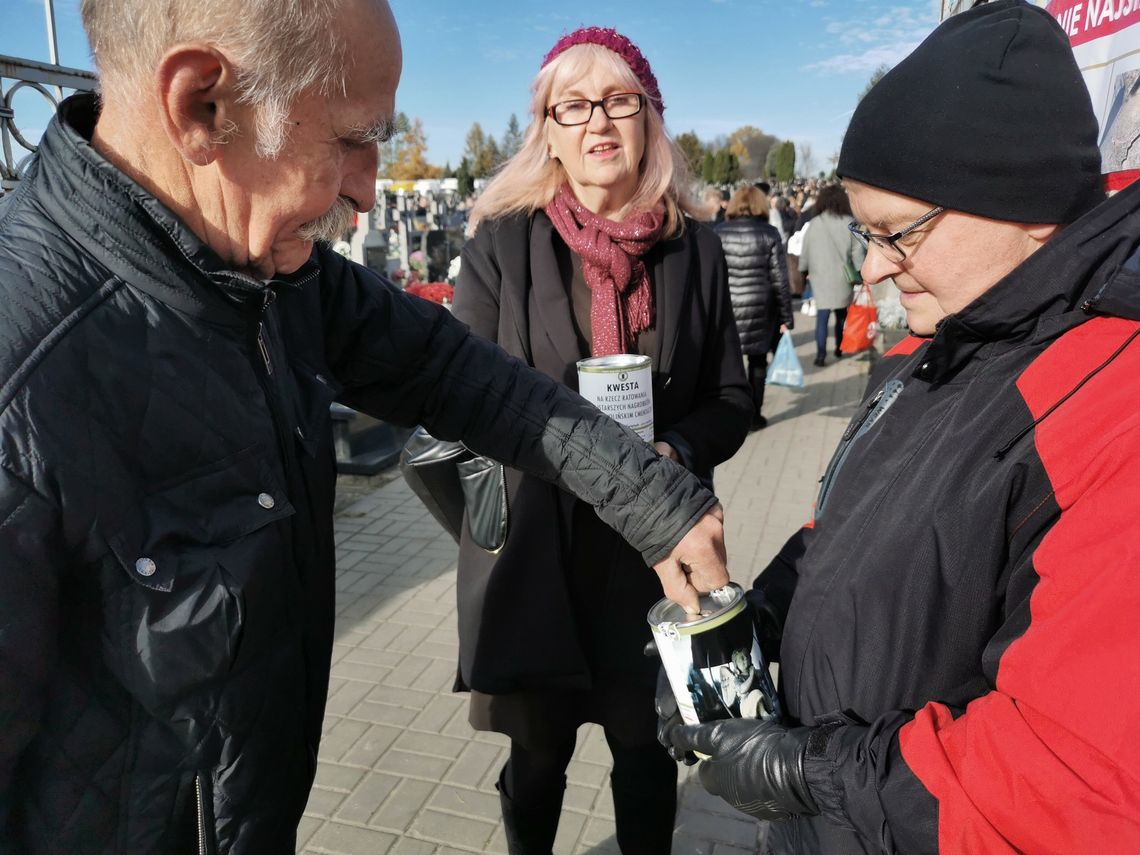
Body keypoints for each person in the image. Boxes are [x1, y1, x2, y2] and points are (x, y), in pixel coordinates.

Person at [0, 2, 734, 852]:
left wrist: (652, 497)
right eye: (351, 138)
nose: (366, 185)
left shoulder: (265, 272)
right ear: (202, 105)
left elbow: (462, 375)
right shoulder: (24, 376)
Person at [661, 1, 1140, 852]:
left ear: (1019, 200)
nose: (875, 263)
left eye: (897, 233)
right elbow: (854, 523)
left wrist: (815, 772)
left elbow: (1073, 782)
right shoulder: (952, 333)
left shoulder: (1113, 401)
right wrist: (751, 622)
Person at [454, 26, 751, 854]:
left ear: (651, 120)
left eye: (619, 101)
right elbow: (462, 397)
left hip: (649, 559)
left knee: (647, 753)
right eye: (573, 105)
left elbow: (731, 397)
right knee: (537, 757)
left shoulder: (696, 253)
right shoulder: (501, 243)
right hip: (536, 554)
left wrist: (676, 455)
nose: (598, 123)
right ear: (546, 128)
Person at [714, 185, 794, 430]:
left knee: (729, 366)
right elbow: (780, 280)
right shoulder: (769, 234)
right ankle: (753, 417)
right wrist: (786, 318)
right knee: (758, 364)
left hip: (728, 310)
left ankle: (730, 415)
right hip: (761, 309)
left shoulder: (718, 232)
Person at [796, 184, 864, 366]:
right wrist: (860, 272)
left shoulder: (815, 223)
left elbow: (805, 251)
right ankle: (839, 347)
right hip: (843, 277)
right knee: (841, 315)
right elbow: (857, 252)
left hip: (820, 277)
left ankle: (820, 355)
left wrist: (803, 271)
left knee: (822, 316)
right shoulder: (849, 222)